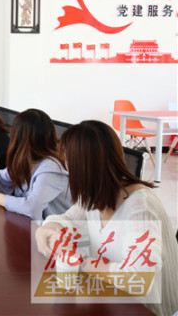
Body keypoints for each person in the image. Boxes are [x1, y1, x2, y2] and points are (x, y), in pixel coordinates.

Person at [35, 120, 177, 316]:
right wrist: (45, 229)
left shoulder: (140, 209)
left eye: (67, 160)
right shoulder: (95, 194)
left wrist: (80, 261)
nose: (66, 168)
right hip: (111, 298)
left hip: (146, 309)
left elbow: (138, 278)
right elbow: (65, 219)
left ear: (83, 166)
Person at [0, 109, 71, 220]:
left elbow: (32, 207)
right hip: (32, 225)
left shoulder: (52, 168)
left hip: (58, 229)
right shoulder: (28, 160)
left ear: (18, 138)